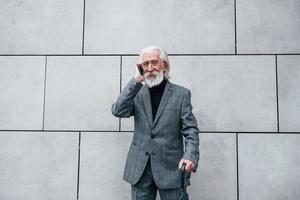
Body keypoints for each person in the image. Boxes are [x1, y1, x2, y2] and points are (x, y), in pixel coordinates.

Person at [111, 45, 200, 200]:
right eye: (145, 64)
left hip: (172, 168)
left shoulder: (181, 94)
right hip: (140, 169)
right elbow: (118, 111)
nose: (150, 68)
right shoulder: (136, 93)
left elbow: (190, 130)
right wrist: (136, 80)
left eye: (154, 63)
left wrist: (191, 155)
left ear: (164, 66)